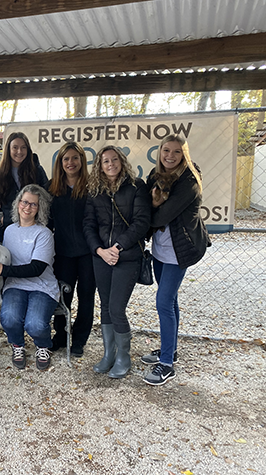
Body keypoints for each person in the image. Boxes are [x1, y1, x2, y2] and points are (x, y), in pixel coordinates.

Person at [141, 135, 211, 385]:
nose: (170, 156)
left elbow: (159, 218)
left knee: (163, 302)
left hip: (180, 250)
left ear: (185, 155)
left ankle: (167, 364)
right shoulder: (155, 175)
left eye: (177, 152)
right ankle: (170, 349)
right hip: (161, 249)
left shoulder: (189, 181)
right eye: (166, 150)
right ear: (159, 152)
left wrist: (142, 216)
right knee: (170, 300)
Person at [83, 145, 150, 379]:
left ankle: (124, 356)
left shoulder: (136, 187)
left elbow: (141, 222)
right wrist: (100, 250)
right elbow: (88, 225)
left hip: (127, 256)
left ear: (121, 161)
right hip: (101, 257)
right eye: (105, 162)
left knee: (116, 308)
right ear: (99, 166)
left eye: (114, 160)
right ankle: (108, 353)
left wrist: (117, 247)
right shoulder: (94, 191)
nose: (110, 164)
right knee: (104, 306)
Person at [0, 184, 59, 371]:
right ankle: (17, 345)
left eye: (33, 204)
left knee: (36, 324)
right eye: (24, 202)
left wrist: (3, 271)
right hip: (15, 285)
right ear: (18, 203)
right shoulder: (9, 231)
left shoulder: (44, 233)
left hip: (41, 285)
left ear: (40, 209)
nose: (27, 207)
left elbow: (37, 268)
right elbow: (1, 259)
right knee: (9, 319)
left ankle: (43, 346)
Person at [47, 142, 96, 358]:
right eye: (66, 159)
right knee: (62, 297)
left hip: (88, 252)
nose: (70, 162)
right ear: (60, 162)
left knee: (86, 296)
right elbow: (46, 222)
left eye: (75, 158)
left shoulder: (92, 187)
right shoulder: (51, 188)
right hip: (63, 252)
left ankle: (79, 340)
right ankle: (60, 336)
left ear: (82, 161)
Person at [0, 132, 49, 243]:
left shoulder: (37, 171)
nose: (19, 152)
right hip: (6, 227)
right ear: (8, 150)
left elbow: (46, 196)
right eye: (15, 148)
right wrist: (0, 217)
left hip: (32, 227)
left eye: (23, 148)